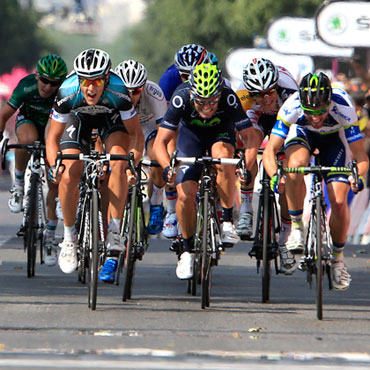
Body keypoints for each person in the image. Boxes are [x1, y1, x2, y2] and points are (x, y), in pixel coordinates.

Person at [262, 72, 369, 291]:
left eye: (321, 111)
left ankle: (338, 259)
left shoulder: (344, 108)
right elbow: (270, 151)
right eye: (310, 112)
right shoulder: (291, 106)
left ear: (329, 102)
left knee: (339, 201)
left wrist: (356, 176)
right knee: (295, 165)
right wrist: (275, 175)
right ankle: (297, 227)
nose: (317, 118)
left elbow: (361, 157)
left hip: (334, 141)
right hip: (302, 135)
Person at [46, 48, 144, 275]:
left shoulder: (119, 90)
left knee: (119, 160)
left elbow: (136, 136)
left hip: (110, 119)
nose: (91, 88)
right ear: (78, 79)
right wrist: (54, 167)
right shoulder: (67, 91)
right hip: (77, 120)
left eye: (97, 81)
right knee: (69, 169)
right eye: (86, 81)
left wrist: (133, 162)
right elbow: (52, 137)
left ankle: (114, 231)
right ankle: (69, 239)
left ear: (107, 78)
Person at [154, 63, 256, 279]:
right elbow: (160, 142)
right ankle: (188, 251)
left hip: (221, 134)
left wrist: (246, 164)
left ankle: (227, 220)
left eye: (212, 101)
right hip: (191, 138)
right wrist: (167, 168)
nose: (208, 107)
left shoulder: (229, 97)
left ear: (219, 93)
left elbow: (250, 137)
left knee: (224, 158)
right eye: (201, 102)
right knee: (185, 195)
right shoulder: (181, 98)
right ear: (192, 94)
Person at [0, 54, 68, 266]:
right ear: (37, 75)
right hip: (28, 121)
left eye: (54, 83)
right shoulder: (26, 86)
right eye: (45, 80)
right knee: (26, 141)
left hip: (51, 127)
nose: (48, 87)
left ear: (61, 83)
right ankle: (19, 184)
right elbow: (3, 116)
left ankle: (49, 237)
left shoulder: (64, 94)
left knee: (54, 183)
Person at [235, 57, 299, 274]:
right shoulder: (242, 96)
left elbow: (300, 129)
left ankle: (285, 240)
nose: (265, 98)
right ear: (250, 92)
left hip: (285, 117)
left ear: (276, 87)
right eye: (258, 94)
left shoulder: (289, 89)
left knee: (288, 173)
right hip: (257, 117)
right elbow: (233, 126)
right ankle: (245, 209)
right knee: (250, 146)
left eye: (269, 92)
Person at [158, 44, 210, 239]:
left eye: (193, 75)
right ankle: (171, 210)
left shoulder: (212, 78)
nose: (188, 81)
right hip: (180, 120)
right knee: (172, 153)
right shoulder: (169, 80)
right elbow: (165, 123)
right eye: (184, 76)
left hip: (207, 119)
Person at [114, 60, 167, 235]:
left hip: (148, 126)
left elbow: (165, 133)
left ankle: (157, 203)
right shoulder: (111, 92)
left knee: (157, 155)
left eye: (135, 91)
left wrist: (166, 160)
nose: (130, 96)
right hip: (124, 128)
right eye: (126, 91)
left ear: (143, 87)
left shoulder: (154, 93)